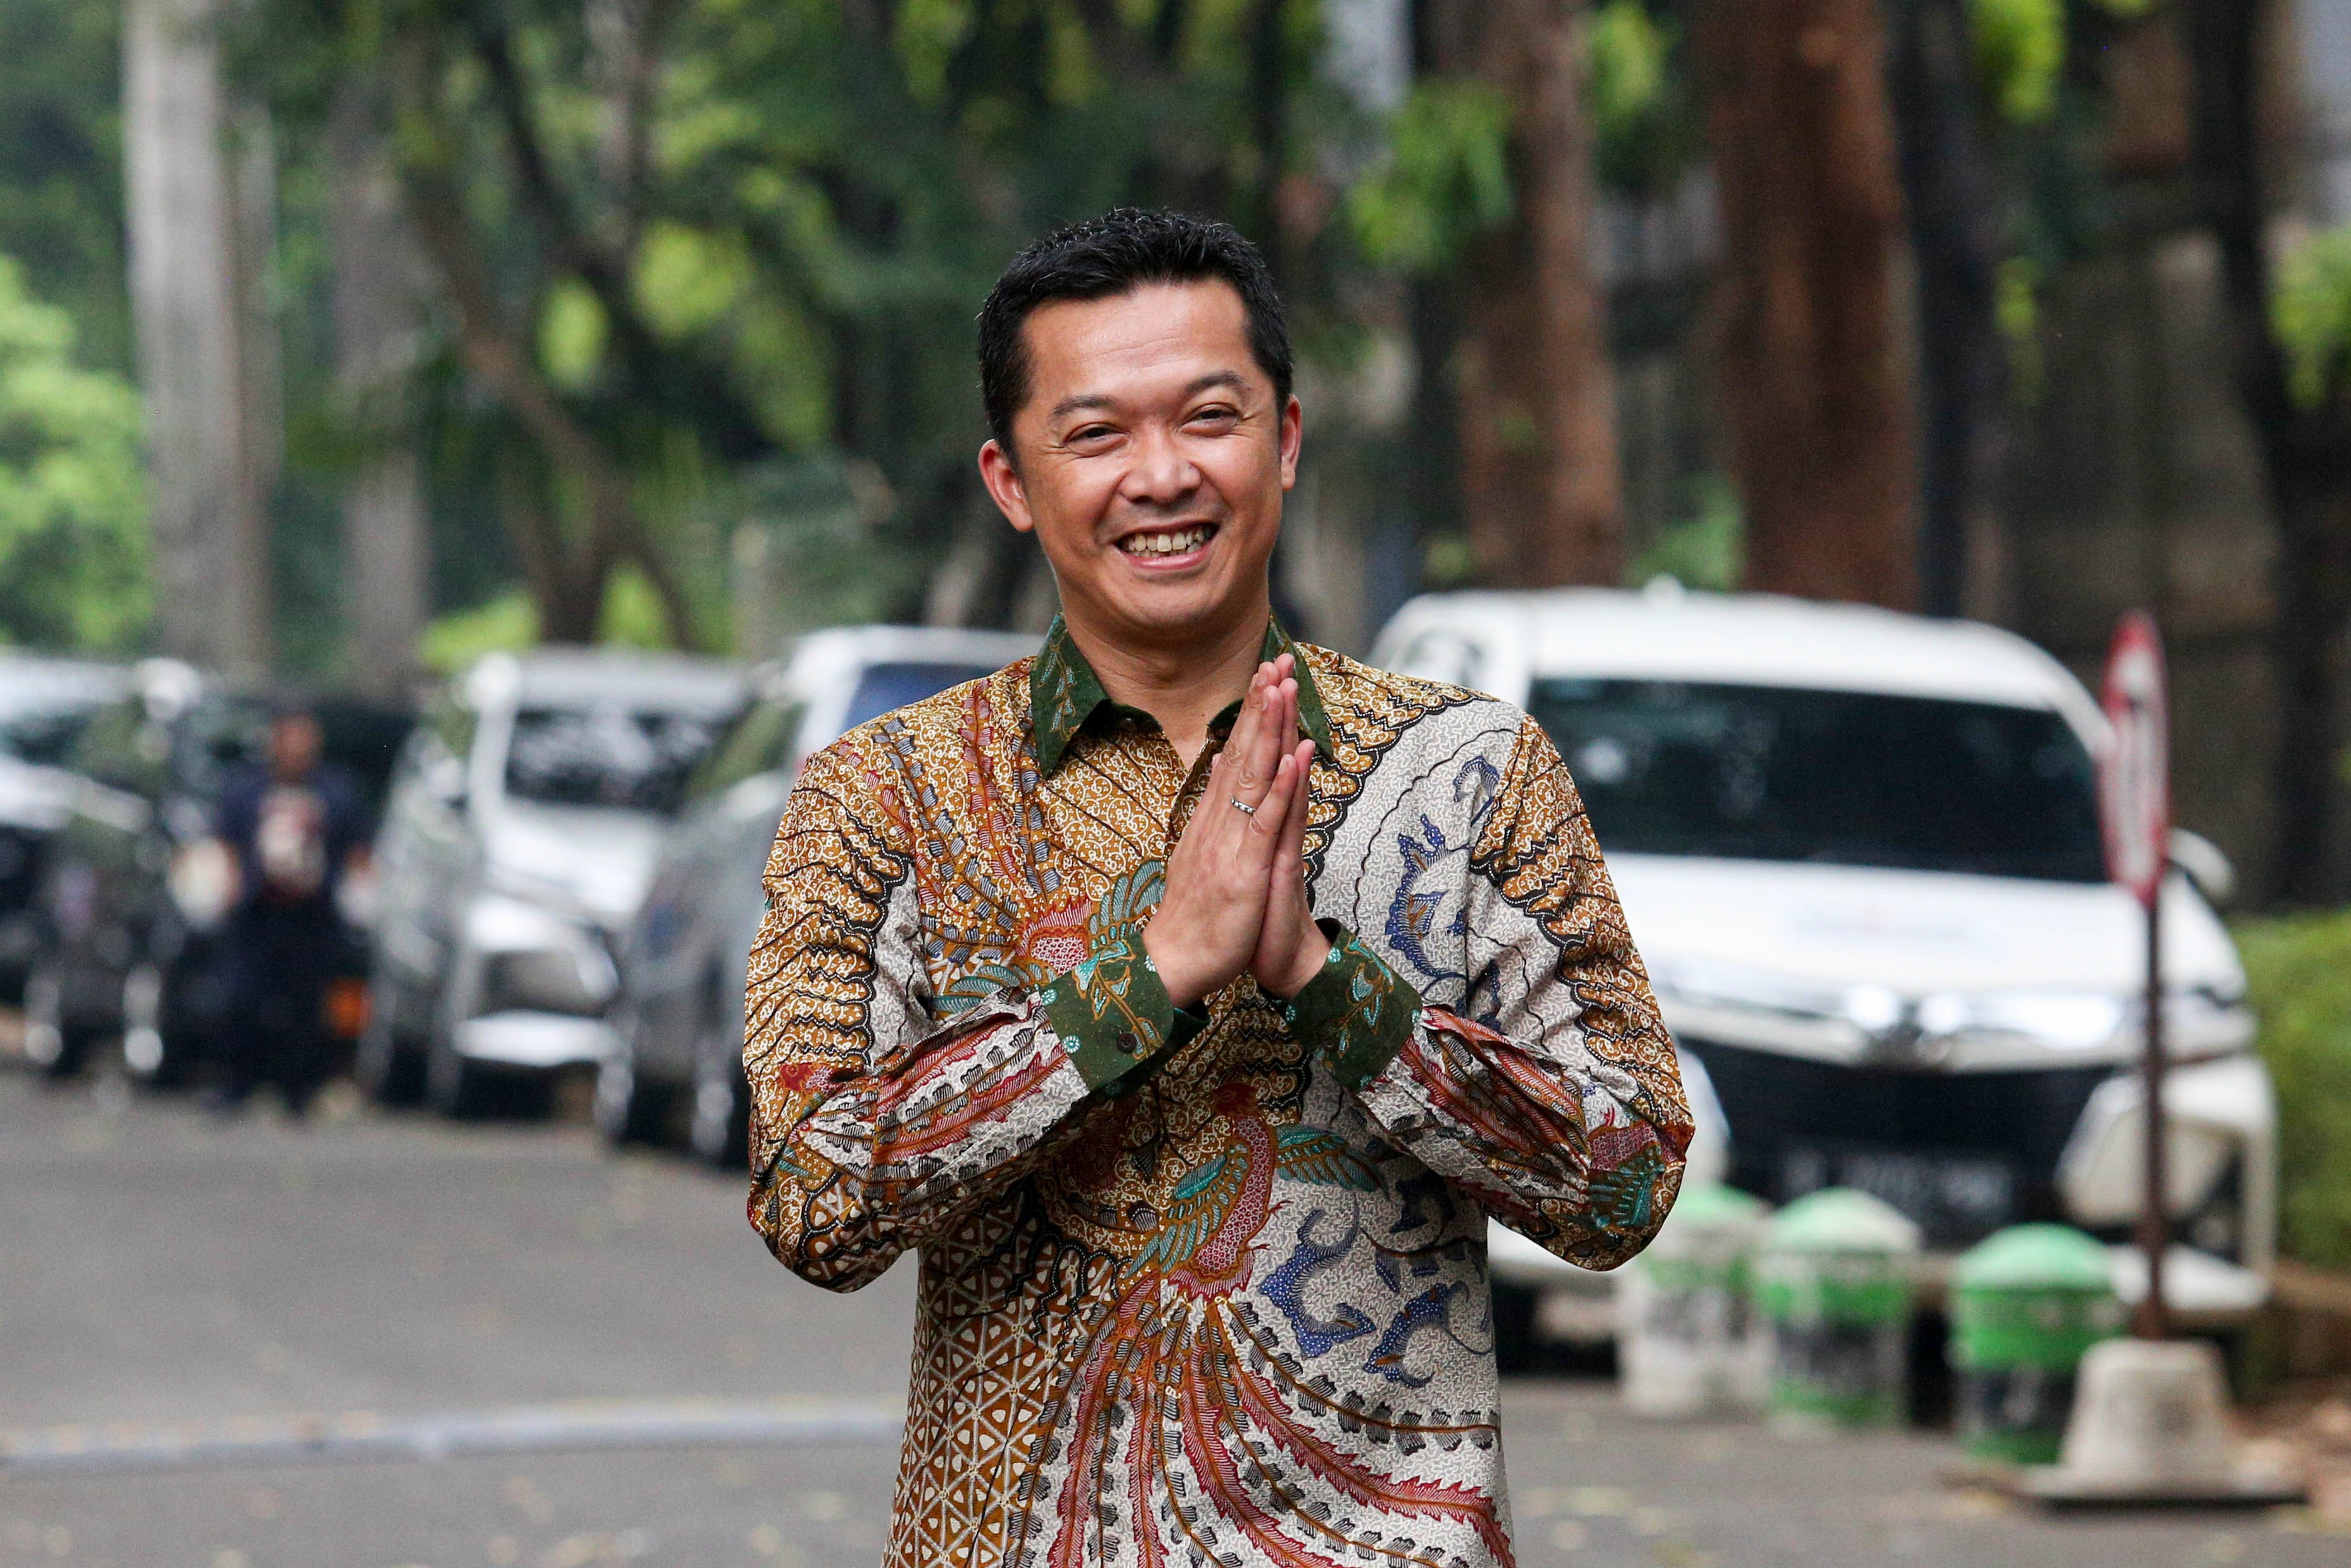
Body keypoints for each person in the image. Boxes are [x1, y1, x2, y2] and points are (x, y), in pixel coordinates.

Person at [744, 210, 1691, 1567]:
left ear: (1286, 441)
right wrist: (1144, 980)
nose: (1160, 473)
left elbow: (1628, 1180)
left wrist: (1327, 983)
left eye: (1207, 416)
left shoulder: (1470, 770)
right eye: (1094, 434)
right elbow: (810, 1202)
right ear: (1011, 481)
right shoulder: (881, 794)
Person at [210, 703, 367, 1116]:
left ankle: (298, 1090)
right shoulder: (245, 789)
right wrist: (227, 888)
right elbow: (226, 843)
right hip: (257, 914)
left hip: (313, 917)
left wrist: (356, 898)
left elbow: (357, 849)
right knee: (242, 1000)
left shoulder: (336, 791)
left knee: (307, 1007)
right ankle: (237, 1084)